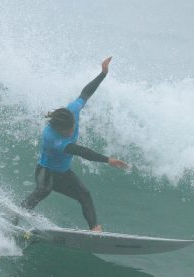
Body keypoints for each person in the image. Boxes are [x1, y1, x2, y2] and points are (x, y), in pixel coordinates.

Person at [20, 57, 128, 232]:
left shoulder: (72, 111)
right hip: (46, 171)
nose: (71, 132)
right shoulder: (52, 138)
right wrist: (108, 160)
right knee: (43, 190)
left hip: (63, 172)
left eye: (72, 128)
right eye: (67, 131)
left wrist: (103, 74)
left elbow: (86, 93)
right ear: (57, 129)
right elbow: (80, 151)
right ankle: (16, 217)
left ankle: (95, 229)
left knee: (84, 194)